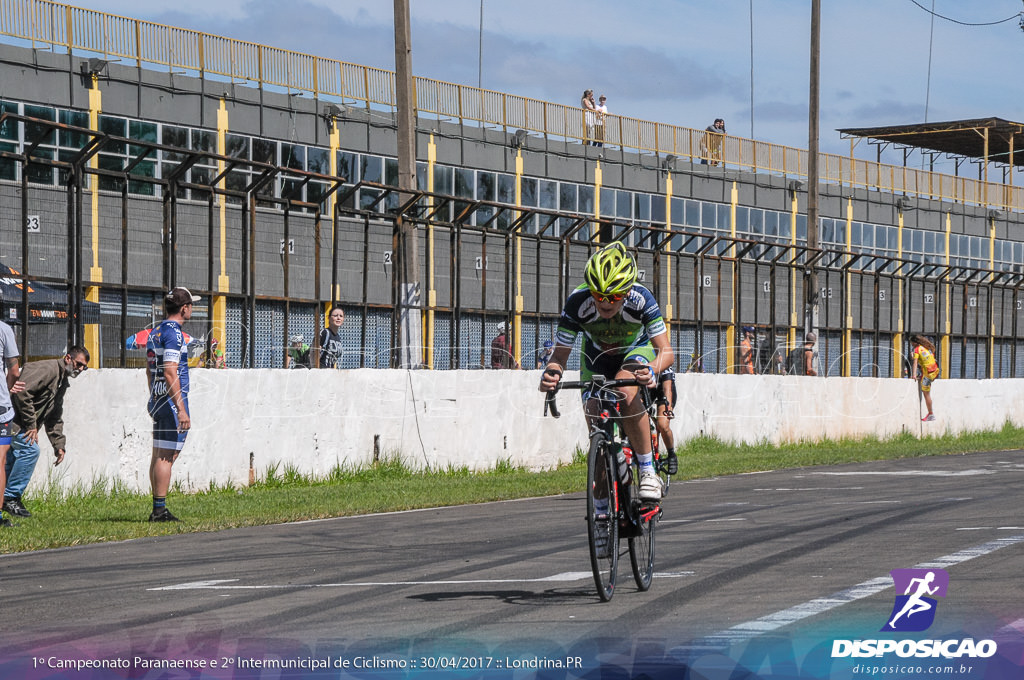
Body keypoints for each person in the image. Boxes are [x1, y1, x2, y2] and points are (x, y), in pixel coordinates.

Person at [539, 241, 674, 506]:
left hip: (635, 351)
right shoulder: (578, 302)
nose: (605, 302)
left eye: (613, 297)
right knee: (594, 416)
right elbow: (559, 357)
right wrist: (551, 373)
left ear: (626, 292)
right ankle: (601, 514)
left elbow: (666, 352)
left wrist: (651, 370)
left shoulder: (641, 299)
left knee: (625, 391)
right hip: (597, 357)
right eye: (599, 296)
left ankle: (647, 469)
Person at [3, 346, 89, 518]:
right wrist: (31, 425)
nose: (80, 369)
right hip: (13, 421)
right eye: (79, 364)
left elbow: (54, 415)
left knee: (10, 461)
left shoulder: (62, 380)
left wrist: (58, 445)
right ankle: (10, 498)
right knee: (30, 450)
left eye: (84, 367)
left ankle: (4, 499)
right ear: (67, 358)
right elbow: (22, 392)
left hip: (19, 423)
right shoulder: (47, 369)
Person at [146, 287, 200, 522]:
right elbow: (170, 371)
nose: (192, 309)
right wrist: (181, 408)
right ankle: (159, 510)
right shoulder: (174, 334)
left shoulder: (154, 332)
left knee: (159, 453)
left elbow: (149, 371)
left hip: (158, 397)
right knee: (167, 455)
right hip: (170, 401)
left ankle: (158, 506)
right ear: (184, 308)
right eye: (191, 305)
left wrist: (153, 396)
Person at [0, 319, 23, 527]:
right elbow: (14, 371)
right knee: (0, 461)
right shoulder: (4, 329)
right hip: (1, 407)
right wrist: (6, 391)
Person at [652, 366, 678, 476]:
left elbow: (667, 389)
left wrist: (668, 409)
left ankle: (671, 454)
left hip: (664, 391)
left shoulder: (663, 361)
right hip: (647, 390)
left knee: (662, 424)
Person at [910, 333, 940, 422]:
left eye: (911, 343)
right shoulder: (926, 347)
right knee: (925, 385)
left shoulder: (917, 350)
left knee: (926, 394)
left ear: (915, 343)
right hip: (935, 371)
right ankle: (930, 414)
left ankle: (931, 414)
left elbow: (915, 363)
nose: (911, 344)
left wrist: (914, 375)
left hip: (928, 374)